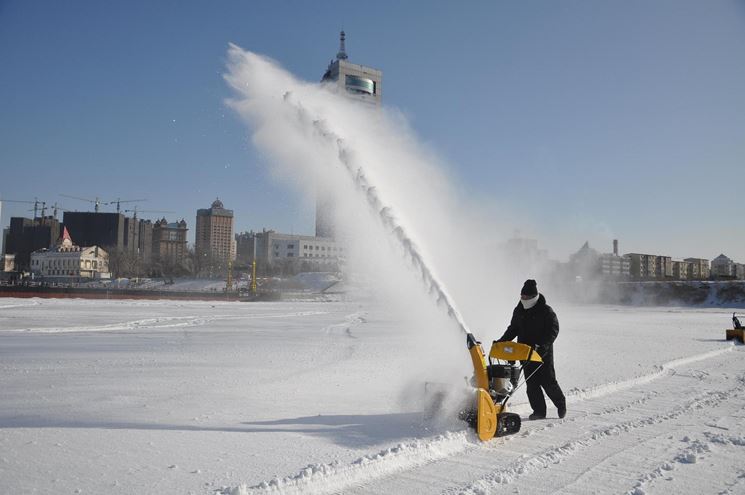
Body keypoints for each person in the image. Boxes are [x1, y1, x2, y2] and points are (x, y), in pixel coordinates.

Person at [497, 279, 566, 420]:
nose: (524, 299)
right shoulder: (519, 310)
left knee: (548, 381)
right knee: (532, 384)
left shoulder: (546, 311)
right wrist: (502, 341)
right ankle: (539, 412)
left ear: (534, 297)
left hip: (542, 353)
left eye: (527, 297)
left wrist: (542, 346)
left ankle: (561, 404)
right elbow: (513, 328)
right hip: (524, 351)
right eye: (522, 296)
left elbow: (553, 330)